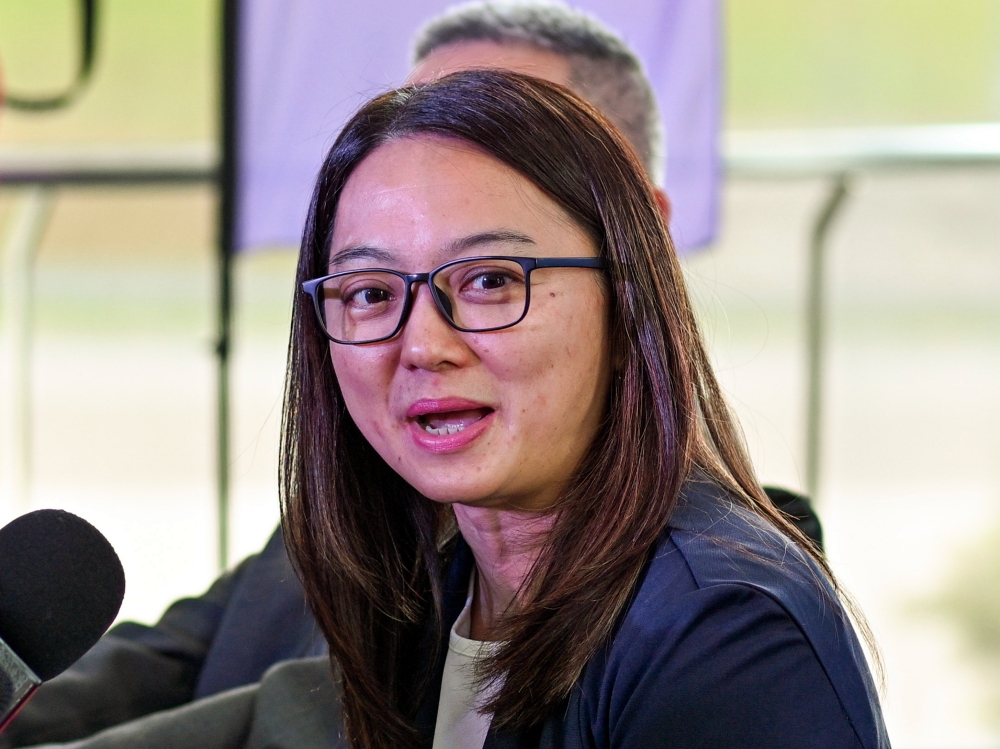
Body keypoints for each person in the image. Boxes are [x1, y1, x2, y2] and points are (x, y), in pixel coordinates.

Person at [1, 4, 820, 746]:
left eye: (491, 277)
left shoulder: (722, 618)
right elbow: (166, 680)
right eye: (370, 290)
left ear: (634, 254)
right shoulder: (403, 549)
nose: (423, 344)